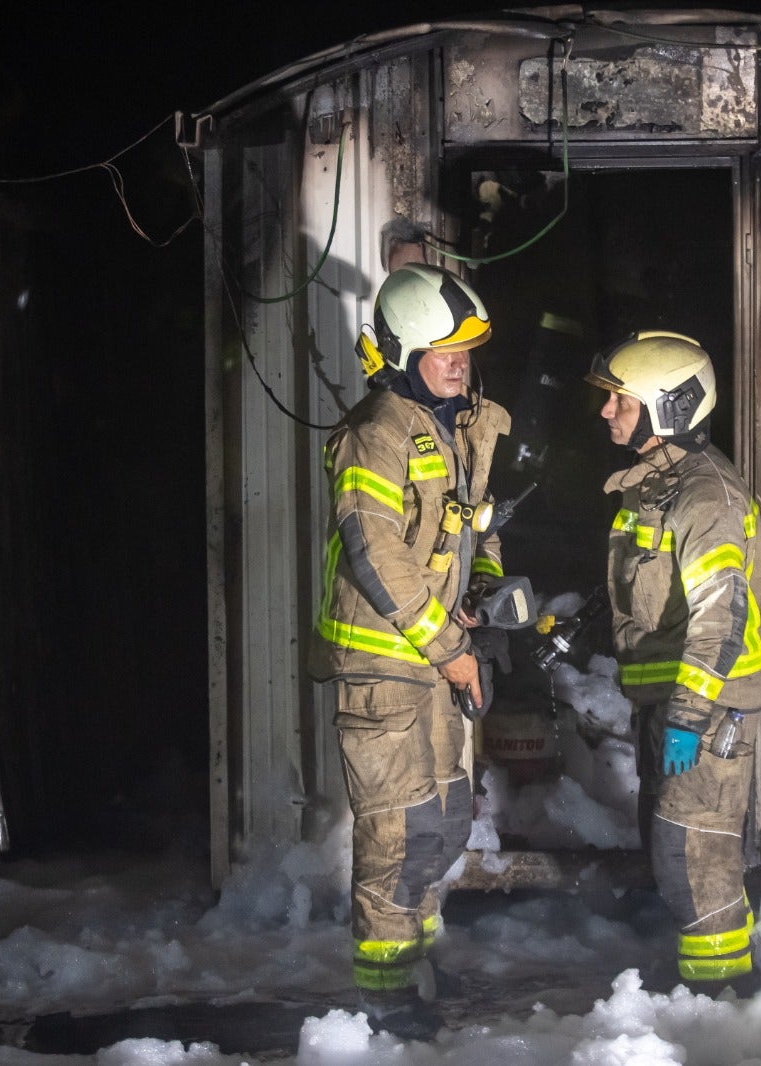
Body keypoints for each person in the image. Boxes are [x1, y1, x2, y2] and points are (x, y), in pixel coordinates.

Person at [306, 263, 510, 1035]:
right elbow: (377, 553)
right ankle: (385, 1001)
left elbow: (468, 530)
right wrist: (452, 648)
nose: (461, 362)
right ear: (399, 354)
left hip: (432, 660)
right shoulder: (376, 434)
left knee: (445, 821)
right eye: (444, 350)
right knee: (398, 835)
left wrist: (484, 588)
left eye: (466, 350)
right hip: (385, 668)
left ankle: (414, 959)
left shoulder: (449, 429)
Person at [586, 330, 761, 991]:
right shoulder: (656, 487)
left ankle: (723, 997)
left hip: (707, 710)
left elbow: (720, 623)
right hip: (669, 704)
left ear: (669, 407)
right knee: (675, 852)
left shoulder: (706, 496)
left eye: (621, 402)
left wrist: (690, 716)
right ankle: (709, 987)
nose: (607, 412)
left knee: (693, 857)